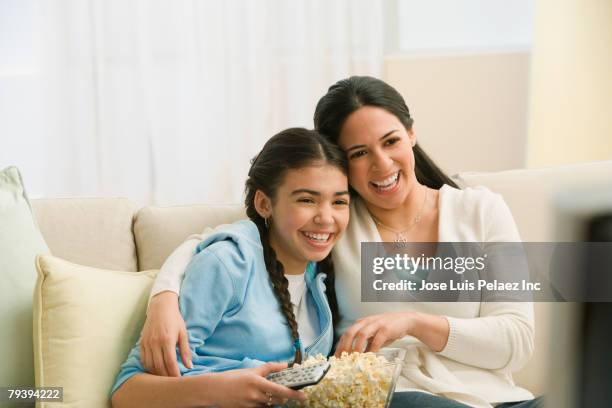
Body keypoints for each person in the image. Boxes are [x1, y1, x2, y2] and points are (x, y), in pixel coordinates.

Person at [140, 77, 542, 408]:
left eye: (391, 141)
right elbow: (221, 238)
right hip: (396, 397)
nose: (382, 165)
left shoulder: (481, 211)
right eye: (359, 153)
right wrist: (165, 293)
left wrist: (414, 323)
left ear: (412, 134)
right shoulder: (336, 222)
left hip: (495, 399)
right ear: (339, 163)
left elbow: (517, 340)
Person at [111, 128, 351, 408]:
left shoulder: (321, 277)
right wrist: (220, 388)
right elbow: (126, 391)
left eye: (339, 202)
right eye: (307, 200)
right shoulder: (229, 264)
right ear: (264, 203)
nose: (326, 218)